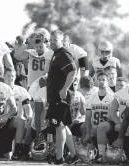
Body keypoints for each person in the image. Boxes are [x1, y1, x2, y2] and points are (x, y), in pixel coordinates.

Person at [46, 30, 77, 164]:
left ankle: (59, 158)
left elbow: (73, 70)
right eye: (50, 40)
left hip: (61, 97)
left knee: (58, 126)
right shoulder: (56, 54)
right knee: (63, 126)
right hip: (55, 96)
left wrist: (65, 89)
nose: (52, 42)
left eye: (55, 40)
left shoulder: (63, 54)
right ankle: (74, 155)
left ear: (62, 40)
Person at [96, 68, 129, 162]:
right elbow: (112, 111)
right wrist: (118, 123)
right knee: (102, 126)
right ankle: (101, 155)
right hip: (121, 123)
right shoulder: (120, 93)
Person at [82, 71, 115, 163]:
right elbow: (88, 117)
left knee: (101, 126)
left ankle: (101, 155)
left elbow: (115, 116)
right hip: (95, 126)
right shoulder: (92, 97)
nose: (101, 81)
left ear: (108, 81)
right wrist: (88, 133)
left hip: (108, 125)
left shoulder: (113, 97)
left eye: (103, 79)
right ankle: (86, 150)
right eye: (99, 79)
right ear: (95, 81)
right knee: (83, 126)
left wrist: (104, 122)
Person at [3, 67, 33, 159]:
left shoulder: (21, 90)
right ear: (3, 76)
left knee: (21, 121)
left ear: (15, 77)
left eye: (12, 76)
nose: (10, 78)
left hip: (14, 121)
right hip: (0, 120)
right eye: (8, 76)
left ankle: (18, 150)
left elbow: (27, 106)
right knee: (5, 155)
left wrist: (29, 115)